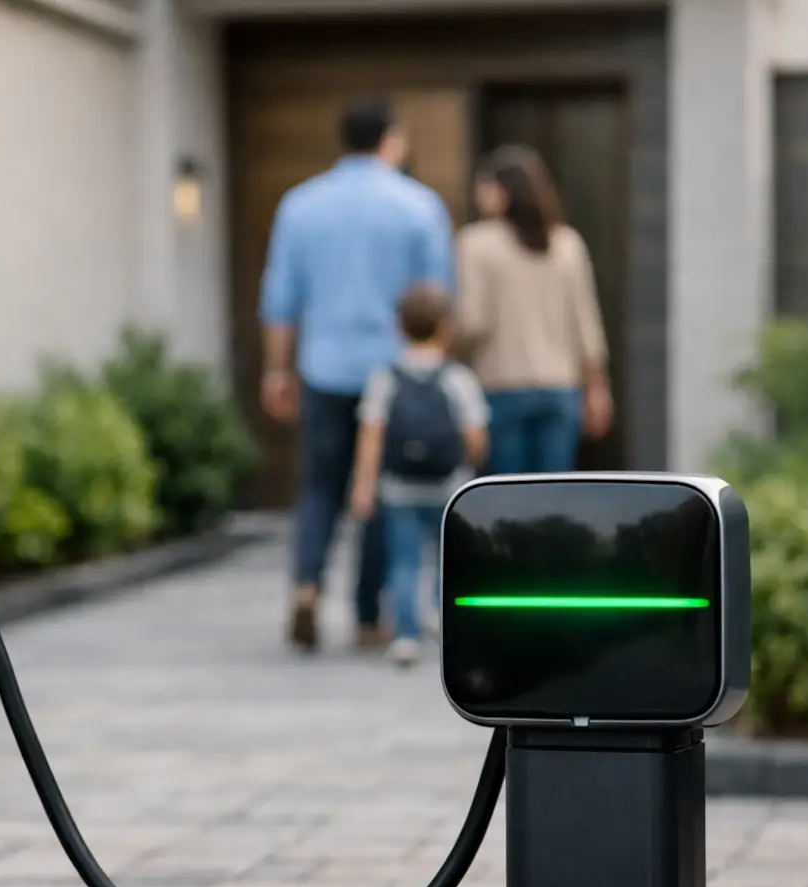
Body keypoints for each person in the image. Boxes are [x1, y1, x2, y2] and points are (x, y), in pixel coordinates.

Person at [259, 96, 455, 652]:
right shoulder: (419, 206)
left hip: (323, 366)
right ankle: (369, 615)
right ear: (391, 139)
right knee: (381, 493)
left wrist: (277, 369)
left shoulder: (301, 205)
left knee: (321, 485)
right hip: (392, 375)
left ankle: (305, 584)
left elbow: (280, 298)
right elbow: (437, 300)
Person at [349, 284, 488, 667]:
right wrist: (471, 468)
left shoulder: (385, 379)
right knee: (449, 559)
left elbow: (371, 437)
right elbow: (475, 436)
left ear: (399, 326)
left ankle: (406, 636)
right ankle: (445, 620)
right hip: (449, 485)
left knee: (404, 560)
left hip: (399, 487)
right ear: (445, 327)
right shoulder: (457, 378)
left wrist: (363, 487)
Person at [455, 145, 613, 475]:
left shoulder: (477, 243)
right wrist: (597, 389)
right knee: (551, 498)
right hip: (561, 389)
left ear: (503, 192)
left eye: (485, 186)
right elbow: (586, 325)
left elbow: (472, 322)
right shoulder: (567, 243)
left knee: (509, 502)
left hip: (502, 388)